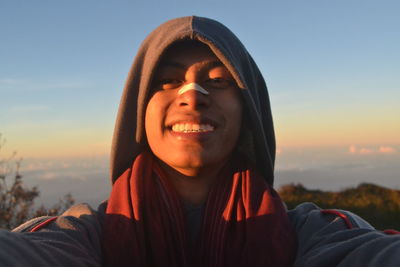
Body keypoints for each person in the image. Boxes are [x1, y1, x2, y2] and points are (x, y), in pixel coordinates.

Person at [1, 16, 400, 267]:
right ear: (137, 112)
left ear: (249, 111)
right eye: (167, 80)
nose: (192, 94)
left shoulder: (316, 235)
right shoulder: (83, 235)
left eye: (218, 80)